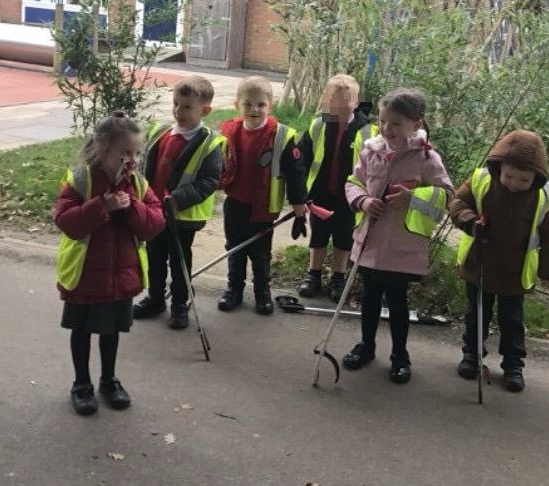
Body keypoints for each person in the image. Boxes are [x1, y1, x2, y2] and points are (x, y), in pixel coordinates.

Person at [53, 112, 165, 415]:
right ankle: (81, 383)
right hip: (84, 275)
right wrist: (101, 205)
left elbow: (154, 224)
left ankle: (109, 379)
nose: (133, 160)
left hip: (120, 277)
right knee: (82, 330)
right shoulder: (81, 180)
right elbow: (66, 221)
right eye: (125, 153)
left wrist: (131, 208)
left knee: (111, 331)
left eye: (137, 153)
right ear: (103, 150)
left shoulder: (138, 185)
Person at [343, 88, 452, 383]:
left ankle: (400, 356)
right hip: (370, 242)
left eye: (396, 123)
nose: (387, 129)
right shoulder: (371, 150)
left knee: (397, 302)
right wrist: (363, 201)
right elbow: (354, 182)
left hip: (403, 247)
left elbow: (446, 196)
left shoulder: (427, 158)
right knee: (369, 298)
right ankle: (365, 346)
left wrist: (414, 198)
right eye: (383, 122)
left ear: (416, 124)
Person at [448, 129, 549, 393]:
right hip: (479, 264)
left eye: (523, 180)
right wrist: (469, 221)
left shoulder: (544, 196)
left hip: (515, 271)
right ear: (499, 167)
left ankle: (513, 365)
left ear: (537, 177)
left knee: (512, 319)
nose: (513, 183)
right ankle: (472, 355)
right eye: (509, 176)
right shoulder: (481, 180)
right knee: (476, 313)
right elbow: (457, 203)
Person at [133, 76, 224, 329]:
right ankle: (155, 298)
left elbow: (209, 181)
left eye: (186, 107)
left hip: (182, 218)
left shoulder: (209, 143)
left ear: (205, 110)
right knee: (155, 257)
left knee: (179, 261)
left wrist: (178, 199)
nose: (178, 111)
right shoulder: (160, 132)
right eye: (175, 104)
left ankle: (180, 303)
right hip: (154, 212)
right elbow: (145, 166)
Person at [218, 76, 307, 314]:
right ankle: (233, 290)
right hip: (235, 203)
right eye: (248, 104)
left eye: (260, 104)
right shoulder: (229, 132)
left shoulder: (281, 136)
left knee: (260, 254)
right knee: (235, 249)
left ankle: (262, 293)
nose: (254, 109)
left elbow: (295, 172)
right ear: (237, 105)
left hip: (262, 207)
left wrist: (299, 204)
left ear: (271, 106)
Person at [296, 74, 376, 302]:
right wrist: (301, 192)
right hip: (320, 194)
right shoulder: (319, 125)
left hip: (349, 198)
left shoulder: (367, 131)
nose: (339, 107)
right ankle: (314, 274)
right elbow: (302, 158)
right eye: (334, 101)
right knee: (318, 236)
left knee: (344, 239)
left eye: (346, 101)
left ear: (356, 101)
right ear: (325, 100)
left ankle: (338, 278)